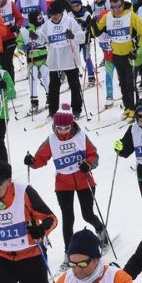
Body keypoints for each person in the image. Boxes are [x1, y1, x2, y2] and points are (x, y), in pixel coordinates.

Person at [25, 108, 106, 252]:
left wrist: (88, 164)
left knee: (87, 214)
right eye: (59, 128)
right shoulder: (51, 140)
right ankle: (68, 252)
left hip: (84, 180)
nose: (63, 131)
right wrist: (31, 161)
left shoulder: (81, 137)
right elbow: (40, 159)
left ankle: (101, 231)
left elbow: (94, 156)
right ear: (54, 126)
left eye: (66, 128)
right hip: (63, 184)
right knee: (68, 219)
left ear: (72, 124)